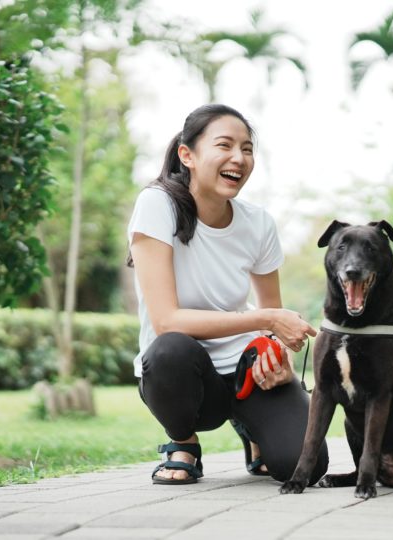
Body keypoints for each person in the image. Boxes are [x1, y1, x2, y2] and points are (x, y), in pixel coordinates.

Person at [127, 104, 329, 485]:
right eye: (225, 145)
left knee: (307, 464)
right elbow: (167, 320)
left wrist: (277, 359)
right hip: (186, 373)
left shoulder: (258, 223)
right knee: (169, 348)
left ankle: (253, 433)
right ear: (187, 155)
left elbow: (272, 318)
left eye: (247, 149)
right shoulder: (157, 205)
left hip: (245, 370)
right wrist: (266, 320)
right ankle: (183, 444)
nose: (239, 158)